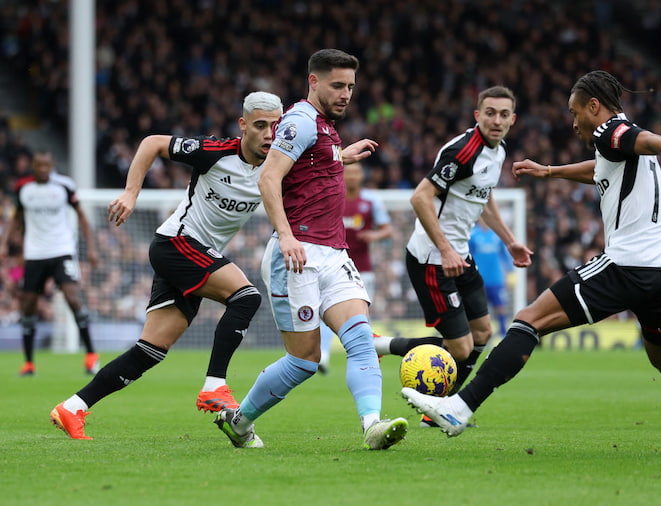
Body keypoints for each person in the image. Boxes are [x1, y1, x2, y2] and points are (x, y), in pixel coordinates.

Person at [402, 70, 661, 454]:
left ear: (593, 106)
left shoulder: (611, 131)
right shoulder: (619, 147)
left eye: (574, 111)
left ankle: (459, 409)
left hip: (627, 264)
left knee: (528, 320)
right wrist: (551, 171)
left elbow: (650, 140)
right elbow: (601, 169)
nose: (573, 121)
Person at [49, 91, 283, 439]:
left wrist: (343, 157)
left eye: (275, 127)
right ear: (243, 125)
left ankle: (73, 407)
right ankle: (215, 385)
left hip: (195, 254)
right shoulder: (215, 152)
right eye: (261, 125)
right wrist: (131, 193)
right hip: (176, 244)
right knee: (246, 297)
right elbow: (152, 143)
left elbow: (320, 162)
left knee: (151, 350)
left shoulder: (275, 167)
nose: (268, 134)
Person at [213, 49, 408, 450]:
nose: (346, 94)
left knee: (358, 338)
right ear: (313, 82)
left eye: (351, 87)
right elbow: (269, 178)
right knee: (304, 361)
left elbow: (310, 167)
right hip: (296, 255)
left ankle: (372, 424)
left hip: (335, 253)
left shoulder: (323, 127)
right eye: (337, 85)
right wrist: (285, 236)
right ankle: (240, 420)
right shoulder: (300, 121)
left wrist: (339, 155)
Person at [373, 86, 532, 416]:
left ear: (512, 119)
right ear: (478, 115)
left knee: (483, 333)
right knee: (461, 348)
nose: (497, 120)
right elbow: (419, 197)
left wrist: (509, 240)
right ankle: (383, 345)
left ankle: (445, 409)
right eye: (490, 113)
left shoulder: (498, 151)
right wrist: (445, 250)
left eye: (504, 114)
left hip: (459, 255)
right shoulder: (462, 151)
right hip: (432, 258)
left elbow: (483, 197)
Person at [0, 151, 99, 376]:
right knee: (28, 305)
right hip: (35, 253)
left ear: (51, 165)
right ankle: (28, 363)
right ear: (33, 166)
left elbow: (81, 216)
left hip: (62, 250)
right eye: (39, 165)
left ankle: (92, 355)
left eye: (46, 165)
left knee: (72, 298)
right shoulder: (23, 188)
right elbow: (17, 217)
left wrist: (91, 248)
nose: (43, 169)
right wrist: (4, 244)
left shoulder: (64, 186)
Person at [318, 161, 392, 374]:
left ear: (361, 176)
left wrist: (374, 235)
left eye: (355, 173)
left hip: (362, 268)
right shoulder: (332, 197)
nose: (351, 176)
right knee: (327, 308)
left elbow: (387, 229)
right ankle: (323, 355)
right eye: (348, 172)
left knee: (361, 314)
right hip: (333, 265)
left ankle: (363, 358)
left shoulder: (371, 201)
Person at [469, 218, 514, 340]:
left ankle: (503, 333)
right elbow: (468, 254)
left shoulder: (496, 235)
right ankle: (480, 335)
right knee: (480, 309)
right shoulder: (473, 235)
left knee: (500, 306)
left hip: (496, 278)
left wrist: (511, 271)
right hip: (479, 279)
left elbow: (504, 255)